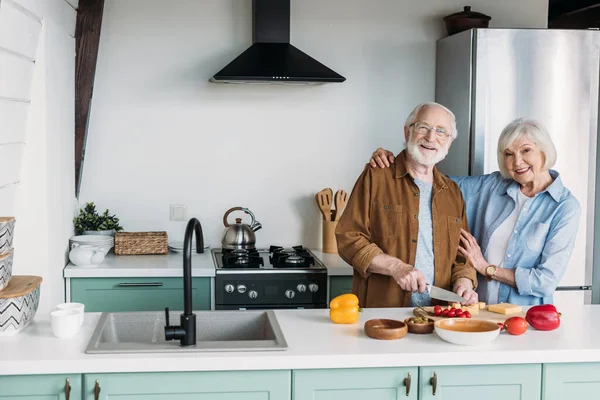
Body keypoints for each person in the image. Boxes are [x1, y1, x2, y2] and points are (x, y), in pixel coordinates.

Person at [369, 118, 580, 305]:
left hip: (526, 319)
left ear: (544, 150)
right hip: (478, 310)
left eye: (526, 150)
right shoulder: (491, 186)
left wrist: (486, 268)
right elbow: (434, 182)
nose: (517, 162)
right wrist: (396, 162)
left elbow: (545, 281)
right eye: (509, 154)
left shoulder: (564, 207)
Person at [335, 102, 478, 309]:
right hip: (385, 314)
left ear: (449, 141)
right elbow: (348, 238)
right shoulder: (376, 176)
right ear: (407, 131)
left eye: (441, 131)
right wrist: (396, 267)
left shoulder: (453, 192)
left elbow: (462, 258)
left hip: (439, 315)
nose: (431, 137)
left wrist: (464, 284)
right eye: (423, 127)